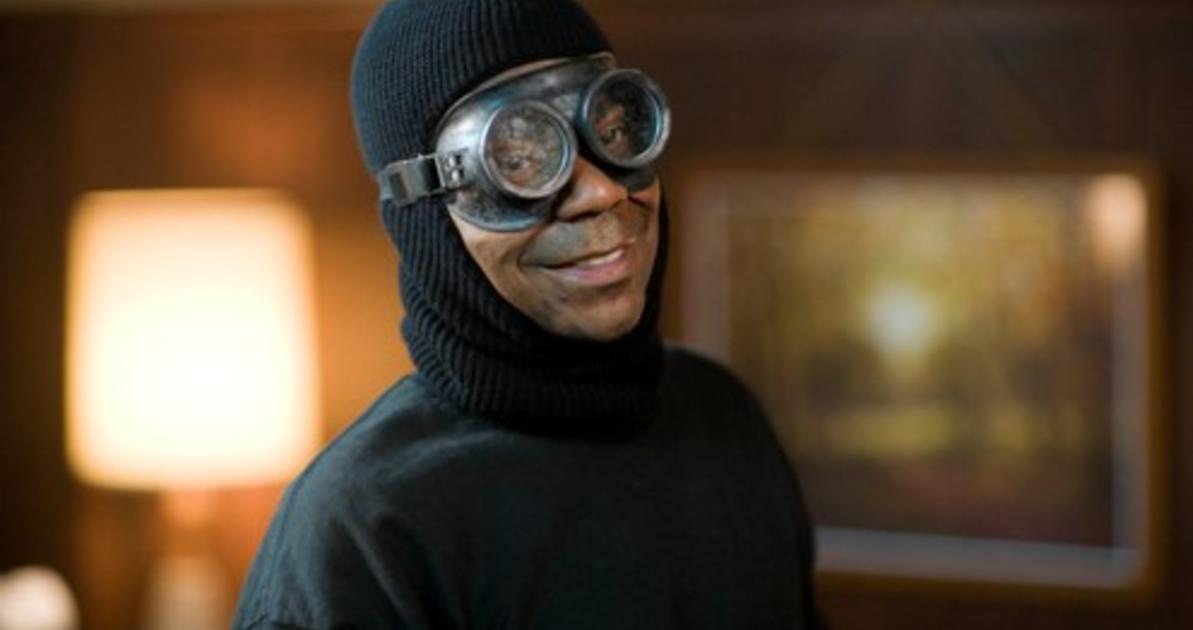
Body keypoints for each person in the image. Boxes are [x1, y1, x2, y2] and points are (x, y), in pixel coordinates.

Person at [233, 0, 823, 628]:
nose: (599, 191)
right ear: (425, 211)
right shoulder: (368, 525)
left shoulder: (723, 418)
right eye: (517, 159)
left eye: (613, 129)